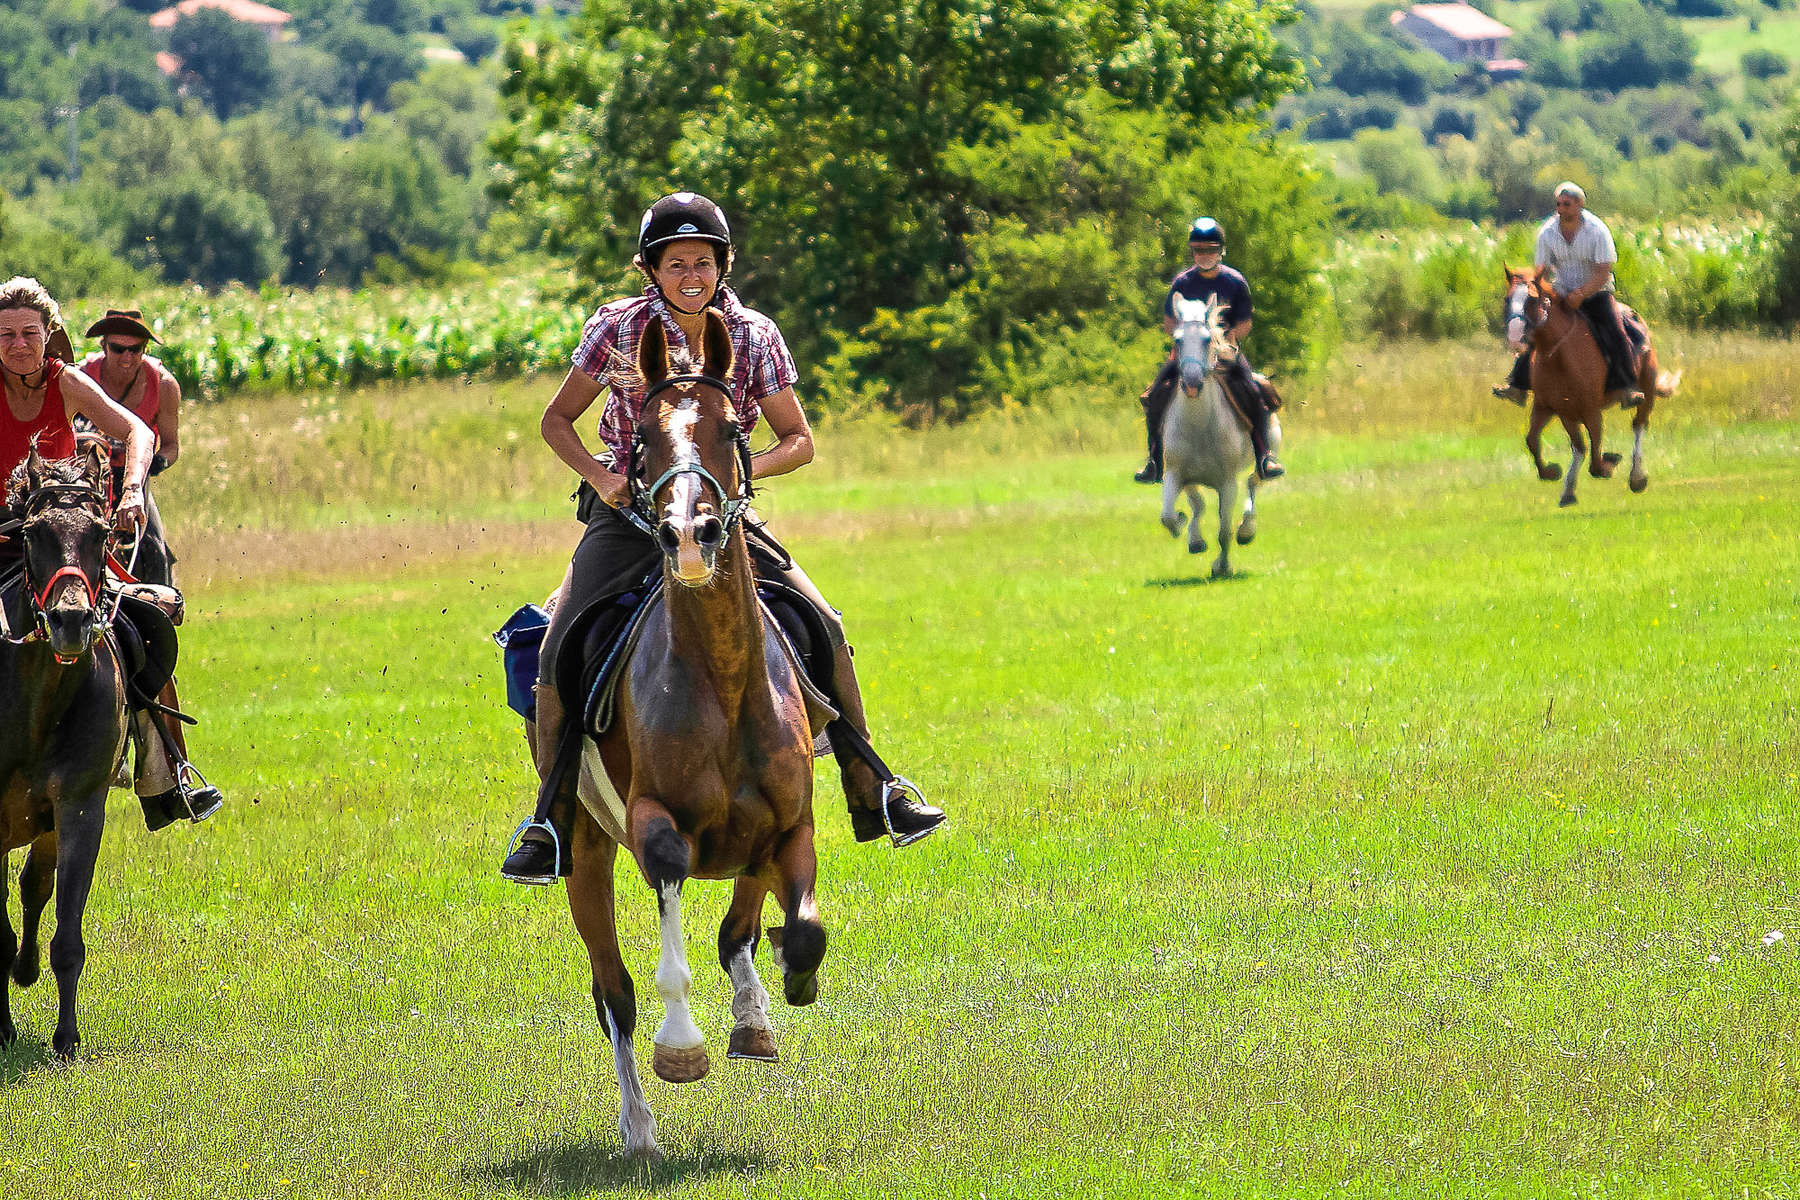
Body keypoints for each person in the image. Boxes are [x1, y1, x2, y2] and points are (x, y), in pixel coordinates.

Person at [499, 191, 944, 886]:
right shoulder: (615, 328)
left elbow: (799, 440)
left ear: (723, 264)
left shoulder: (755, 334)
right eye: (675, 263)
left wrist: (737, 477)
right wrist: (601, 477)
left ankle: (872, 786)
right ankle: (551, 820)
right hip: (629, 519)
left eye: (702, 262)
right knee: (557, 642)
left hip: (724, 518)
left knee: (824, 622)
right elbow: (558, 420)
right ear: (651, 269)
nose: (691, 276)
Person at [0, 277, 221, 828]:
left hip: (63, 544)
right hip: (2, 539)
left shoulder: (68, 382)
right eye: (5, 334)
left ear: (49, 336)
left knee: (144, 626)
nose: (18, 344)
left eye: (29, 332)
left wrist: (129, 493)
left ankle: (165, 779)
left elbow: (140, 435)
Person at [1134, 218, 1283, 485]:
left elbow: (1245, 322)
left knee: (1254, 390)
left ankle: (1264, 456)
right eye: (1199, 250)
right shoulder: (1182, 282)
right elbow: (1170, 322)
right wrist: (1187, 340)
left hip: (1225, 351)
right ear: (1192, 252)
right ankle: (1154, 460)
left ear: (1221, 251)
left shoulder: (1234, 282)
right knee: (1154, 395)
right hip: (1188, 352)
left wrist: (1225, 343)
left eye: (1210, 250)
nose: (1204, 256)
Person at [1494, 182, 1644, 410]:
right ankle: (1517, 385)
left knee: (1615, 330)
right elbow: (1541, 270)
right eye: (1558, 204)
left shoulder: (1596, 230)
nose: (1561, 209)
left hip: (1597, 293)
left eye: (1566, 204)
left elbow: (1603, 269)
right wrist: (1536, 289)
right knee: (1537, 331)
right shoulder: (1547, 232)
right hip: (1562, 293)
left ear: (1579, 205)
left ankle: (1627, 387)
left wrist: (1583, 293)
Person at [77, 309, 182, 587]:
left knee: (153, 549)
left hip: (134, 475)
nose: (127, 358)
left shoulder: (164, 384)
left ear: (144, 350)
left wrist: (158, 462)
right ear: (103, 346)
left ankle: (160, 613)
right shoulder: (79, 377)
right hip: (86, 475)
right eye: (118, 349)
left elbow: (171, 446)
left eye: (135, 350)